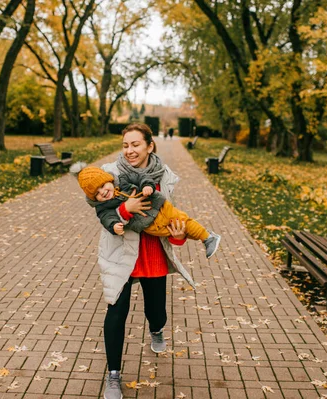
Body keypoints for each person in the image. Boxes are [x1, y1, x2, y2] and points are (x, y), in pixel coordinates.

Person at [80, 123, 201, 399]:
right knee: (116, 311)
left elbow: (170, 217)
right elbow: (98, 207)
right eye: (125, 145)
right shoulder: (109, 173)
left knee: (156, 309)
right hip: (121, 252)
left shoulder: (165, 177)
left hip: (154, 252)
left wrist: (180, 236)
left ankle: (156, 329)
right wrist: (125, 209)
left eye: (135, 145)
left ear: (150, 146)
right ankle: (113, 375)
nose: (130, 150)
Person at [74, 163, 221, 258]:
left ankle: (207, 237)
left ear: (109, 180)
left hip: (158, 206)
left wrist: (147, 185)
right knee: (172, 230)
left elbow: (140, 177)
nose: (102, 192)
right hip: (147, 225)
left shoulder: (123, 178)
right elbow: (106, 217)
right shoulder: (103, 207)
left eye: (102, 186)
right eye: (97, 194)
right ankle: (206, 238)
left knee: (182, 222)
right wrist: (114, 225)